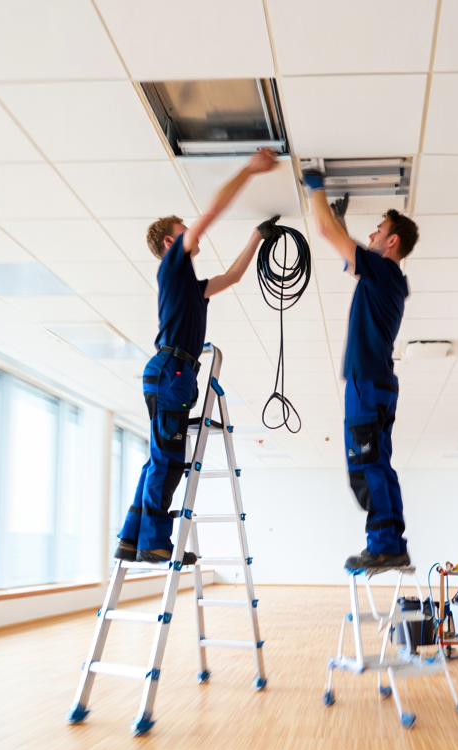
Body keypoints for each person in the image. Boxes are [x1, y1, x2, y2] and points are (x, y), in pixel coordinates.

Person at [115, 148, 279, 565]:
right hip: (172, 371)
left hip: (172, 372)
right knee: (169, 463)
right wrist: (249, 169)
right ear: (171, 241)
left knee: (160, 457)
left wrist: (258, 236)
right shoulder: (172, 264)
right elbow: (213, 211)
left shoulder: (191, 285)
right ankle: (154, 542)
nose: (195, 233)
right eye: (185, 230)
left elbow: (235, 276)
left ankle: (132, 538)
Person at [302, 170, 419, 570]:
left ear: (393, 241)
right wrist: (342, 225)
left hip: (369, 383)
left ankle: (385, 544)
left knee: (366, 465)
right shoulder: (383, 278)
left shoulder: (385, 272)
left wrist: (315, 187)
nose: (372, 235)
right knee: (374, 465)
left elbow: (323, 230)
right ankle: (389, 541)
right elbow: (351, 262)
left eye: (378, 230)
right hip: (372, 383)